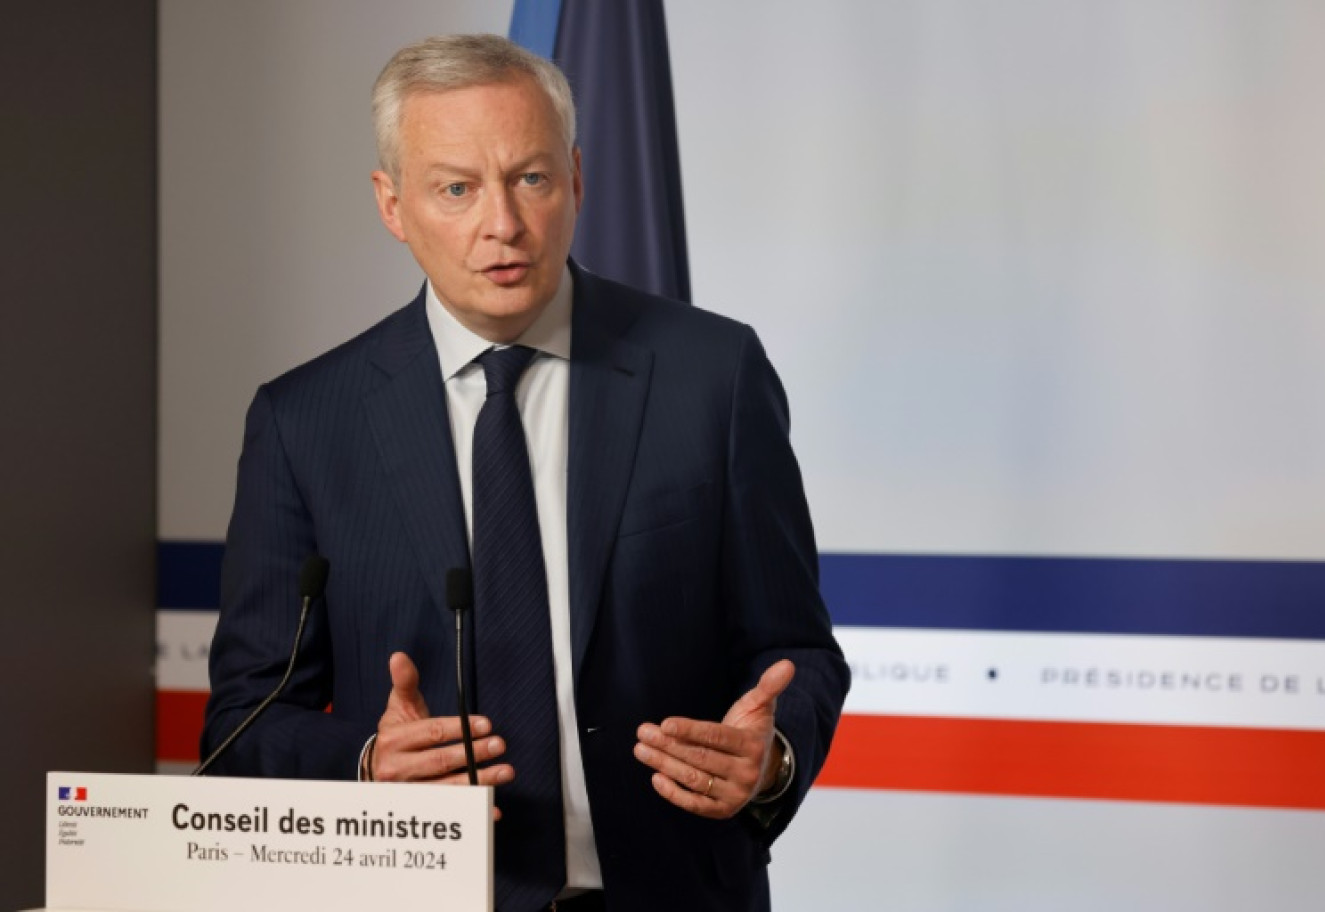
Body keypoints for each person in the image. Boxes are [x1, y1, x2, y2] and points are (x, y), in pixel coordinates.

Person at [202, 33, 848, 912]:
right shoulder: (305, 421)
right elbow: (244, 725)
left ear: (576, 180)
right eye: (456, 188)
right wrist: (364, 764)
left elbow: (797, 650)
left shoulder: (713, 376)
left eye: (530, 179)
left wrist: (771, 760)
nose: (500, 224)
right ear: (393, 205)